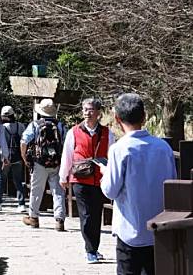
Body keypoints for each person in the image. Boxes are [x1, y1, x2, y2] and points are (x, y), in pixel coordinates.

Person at [101, 93, 176, 275]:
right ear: (144, 116)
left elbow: (110, 191)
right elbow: (172, 183)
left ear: (117, 119)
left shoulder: (119, 149)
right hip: (159, 229)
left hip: (130, 229)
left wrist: (105, 175)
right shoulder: (163, 147)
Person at [59, 98, 116, 264]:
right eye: (84, 109)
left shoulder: (107, 133)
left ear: (98, 113)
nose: (87, 112)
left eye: (91, 109)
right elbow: (67, 155)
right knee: (86, 214)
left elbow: (112, 156)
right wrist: (64, 177)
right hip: (80, 178)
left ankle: (94, 249)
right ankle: (90, 250)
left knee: (96, 214)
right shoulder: (73, 132)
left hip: (100, 179)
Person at [21, 98, 67, 231]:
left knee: (36, 190)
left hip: (39, 162)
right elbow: (67, 143)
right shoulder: (60, 126)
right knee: (58, 191)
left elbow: (24, 141)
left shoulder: (35, 125)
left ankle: (33, 218)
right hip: (57, 162)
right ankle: (59, 220)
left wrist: (25, 158)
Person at [0, 105, 27, 213]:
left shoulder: (1, 127)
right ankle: (21, 203)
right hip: (18, 156)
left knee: (1, 180)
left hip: (5, 157)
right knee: (18, 180)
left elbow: (0, 143)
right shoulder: (20, 126)